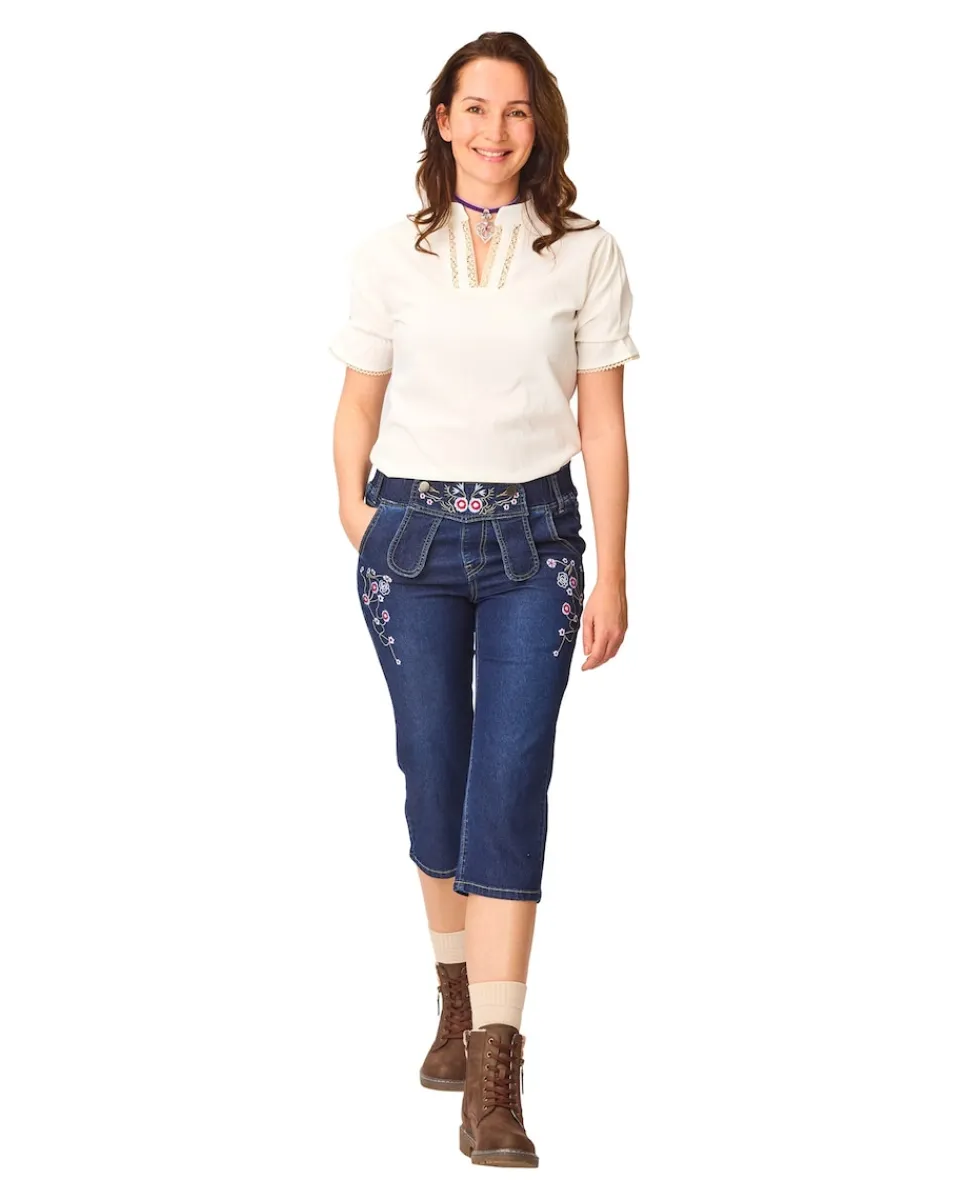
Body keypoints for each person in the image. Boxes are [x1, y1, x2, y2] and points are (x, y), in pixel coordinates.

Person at [329, 32, 638, 1169]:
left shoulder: (585, 252)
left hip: (534, 546)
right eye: (474, 109)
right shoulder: (390, 255)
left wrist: (614, 570)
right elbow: (357, 405)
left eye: (514, 111)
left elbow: (601, 420)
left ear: (537, 123)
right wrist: (360, 521)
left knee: (510, 781)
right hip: (409, 540)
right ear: (443, 120)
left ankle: (496, 1076)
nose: (494, 131)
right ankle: (453, 997)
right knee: (434, 772)